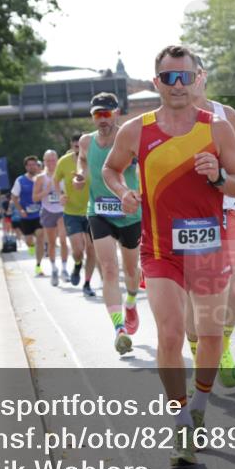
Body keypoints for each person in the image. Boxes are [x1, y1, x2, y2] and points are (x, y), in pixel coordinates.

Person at [102, 44, 235, 468]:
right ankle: (182, 420)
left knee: (209, 333)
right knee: (168, 335)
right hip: (160, 250)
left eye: (185, 76)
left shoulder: (217, 128)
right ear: (157, 82)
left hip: (207, 246)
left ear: (197, 78)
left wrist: (218, 176)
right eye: (170, 78)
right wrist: (124, 192)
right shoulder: (136, 129)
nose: (178, 85)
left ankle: (200, 404)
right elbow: (111, 169)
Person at [183, 55, 235, 389]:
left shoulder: (226, 114)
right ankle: (198, 351)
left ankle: (222, 346)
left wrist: (229, 170)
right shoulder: (169, 121)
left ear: (202, 76)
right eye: (178, 76)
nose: (185, 82)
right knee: (193, 296)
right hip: (187, 219)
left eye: (191, 75)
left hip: (226, 211)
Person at [75, 93, 142, 355]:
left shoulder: (128, 138)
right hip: (99, 210)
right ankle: (119, 330)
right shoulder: (86, 141)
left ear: (116, 113)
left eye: (106, 114)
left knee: (131, 269)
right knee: (109, 269)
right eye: (96, 115)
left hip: (129, 213)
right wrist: (81, 174)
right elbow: (82, 158)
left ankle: (132, 302)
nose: (101, 120)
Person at [54, 134, 97, 297]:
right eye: (76, 146)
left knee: (91, 249)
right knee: (78, 249)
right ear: (72, 146)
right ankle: (77, 264)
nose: (79, 149)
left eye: (82, 146)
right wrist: (60, 195)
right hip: (71, 211)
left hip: (92, 210)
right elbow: (55, 180)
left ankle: (87, 283)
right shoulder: (63, 161)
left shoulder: (94, 160)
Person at [34, 149, 67, 285]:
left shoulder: (64, 175)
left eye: (53, 160)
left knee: (64, 240)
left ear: (57, 160)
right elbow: (35, 197)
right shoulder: (41, 178)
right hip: (48, 211)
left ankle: (64, 269)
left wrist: (64, 195)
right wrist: (46, 191)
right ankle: (54, 268)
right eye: (48, 160)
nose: (51, 162)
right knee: (52, 242)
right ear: (44, 161)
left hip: (62, 211)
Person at [11, 157, 46, 274]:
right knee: (29, 240)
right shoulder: (20, 180)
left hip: (39, 214)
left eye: (34, 164)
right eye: (29, 165)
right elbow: (14, 197)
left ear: (37, 165)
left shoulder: (42, 178)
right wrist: (20, 210)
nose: (32, 167)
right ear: (26, 167)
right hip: (26, 216)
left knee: (40, 236)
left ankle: (38, 265)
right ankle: (31, 246)